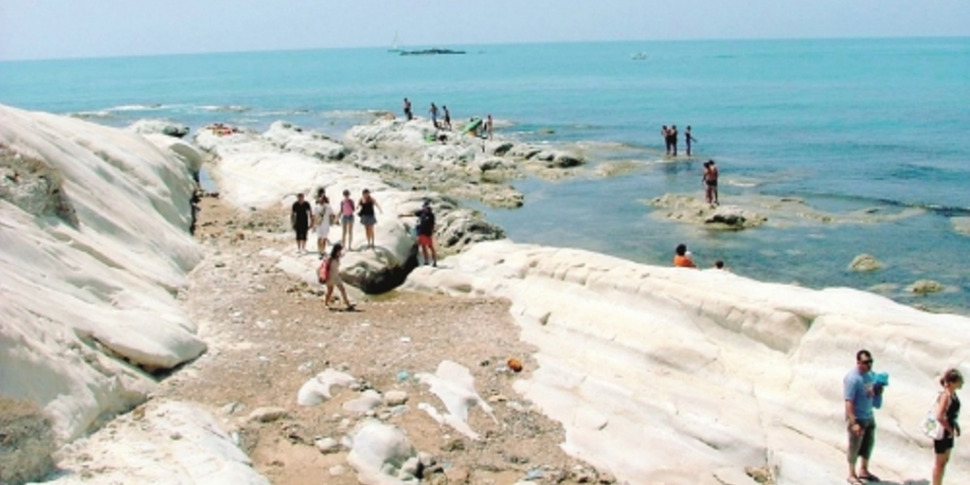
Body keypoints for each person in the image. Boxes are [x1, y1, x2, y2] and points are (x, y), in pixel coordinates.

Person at [844, 349, 884, 485]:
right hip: (858, 417)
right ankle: (851, 473)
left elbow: (872, 391)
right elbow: (848, 401)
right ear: (859, 362)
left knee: (868, 443)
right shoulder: (852, 378)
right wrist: (853, 422)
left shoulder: (870, 375)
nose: (869, 365)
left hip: (868, 415)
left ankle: (864, 470)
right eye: (866, 362)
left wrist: (878, 390)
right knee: (854, 446)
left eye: (870, 361)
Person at [932, 368, 963, 485]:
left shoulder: (953, 395)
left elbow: (951, 414)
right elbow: (939, 416)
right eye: (960, 381)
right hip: (942, 433)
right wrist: (950, 428)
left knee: (944, 462)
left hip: (948, 432)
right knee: (939, 463)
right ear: (953, 382)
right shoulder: (945, 395)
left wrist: (956, 426)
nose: (962, 383)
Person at [400, 200, 437, 267]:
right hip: (421, 232)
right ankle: (426, 261)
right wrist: (403, 215)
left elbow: (432, 225)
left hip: (427, 234)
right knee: (423, 246)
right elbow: (413, 214)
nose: (424, 208)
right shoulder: (421, 212)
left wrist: (432, 233)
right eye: (424, 207)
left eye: (426, 207)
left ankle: (434, 261)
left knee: (431, 247)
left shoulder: (431, 215)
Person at [322, 243, 354, 311]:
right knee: (330, 291)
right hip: (330, 276)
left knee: (342, 289)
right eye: (339, 250)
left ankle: (347, 303)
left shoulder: (337, 257)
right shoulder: (330, 258)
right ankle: (326, 303)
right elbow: (325, 267)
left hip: (336, 276)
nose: (340, 252)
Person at [313, 194, 335, 259]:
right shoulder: (316, 207)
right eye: (320, 200)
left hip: (325, 224)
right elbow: (314, 216)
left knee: (324, 238)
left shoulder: (328, 207)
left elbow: (332, 215)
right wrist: (314, 225)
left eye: (323, 199)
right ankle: (320, 251)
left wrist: (334, 221)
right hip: (319, 224)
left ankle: (322, 251)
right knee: (319, 238)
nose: (321, 201)